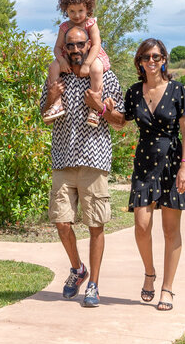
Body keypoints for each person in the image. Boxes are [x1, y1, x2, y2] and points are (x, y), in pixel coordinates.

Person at [92, 38, 185, 312]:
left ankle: (167, 289)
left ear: (163, 59)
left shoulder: (178, 90)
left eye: (155, 56)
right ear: (140, 62)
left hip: (172, 160)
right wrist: (104, 109)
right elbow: (121, 121)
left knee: (170, 230)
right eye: (145, 57)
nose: (151, 61)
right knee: (141, 226)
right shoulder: (133, 92)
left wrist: (184, 167)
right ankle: (149, 273)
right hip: (144, 163)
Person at [39, 26, 124, 308]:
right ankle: (78, 269)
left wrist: (99, 106)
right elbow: (44, 115)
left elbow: (120, 120)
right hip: (63, 159)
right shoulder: (56, 75)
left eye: (80, 45)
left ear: (90, 45)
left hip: (94, 159)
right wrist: (52, 96)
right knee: (62, 223)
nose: (75, 50)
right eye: (70, 46)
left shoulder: (106, 76)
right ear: (64, 48)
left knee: (95, 225)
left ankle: (94, 285)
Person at [43, 0, 111, 125]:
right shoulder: (64, 26)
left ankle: (94, 107)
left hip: (92, 54)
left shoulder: (91, 24)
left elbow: (96, 45)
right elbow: (57, 47)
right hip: (69, 55)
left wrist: (87, 64)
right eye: (72, 11)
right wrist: (61, 61)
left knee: (96, 69)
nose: (77, 15)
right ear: (66, 11)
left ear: (87, 9)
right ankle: (57, 103)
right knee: (53, 67)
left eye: (80, 10)